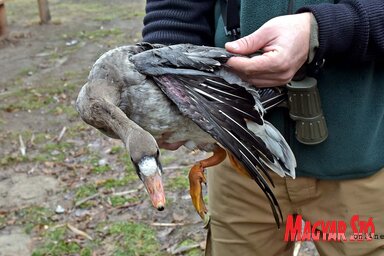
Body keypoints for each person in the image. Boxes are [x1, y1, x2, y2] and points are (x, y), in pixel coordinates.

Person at [142, 1, 384, 255]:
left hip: (365, 158)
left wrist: (322, 29)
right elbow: (174, 9)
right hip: (239, 160)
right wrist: (165, 63)